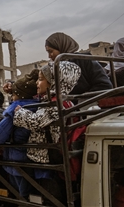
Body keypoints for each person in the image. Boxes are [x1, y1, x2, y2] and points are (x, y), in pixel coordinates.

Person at [13, 61, 82, 205]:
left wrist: (20, 112)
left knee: (48, 198)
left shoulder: (55, 104)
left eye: (41, 79)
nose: (37, 83)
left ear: (53, 82)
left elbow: (36, 121)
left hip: (47, 158)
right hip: (48, 158)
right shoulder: (61, 100)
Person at [0, 69, 45, 200]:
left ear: (18, 95)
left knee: (21, 198)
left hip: (19, 165)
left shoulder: (16, 111)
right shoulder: (38, 106)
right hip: (31, 164)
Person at [44, 32, 112, 95]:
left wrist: (83, 98)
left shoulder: (85, 61)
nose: (49, 56)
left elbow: (105, 85)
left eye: (51, 51)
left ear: (61, 46)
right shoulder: (56, 69)